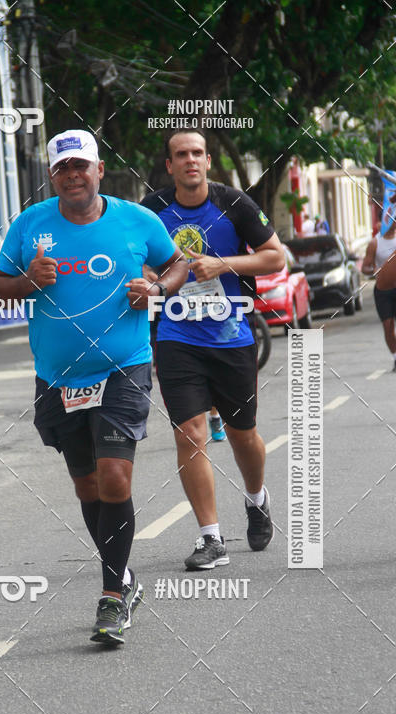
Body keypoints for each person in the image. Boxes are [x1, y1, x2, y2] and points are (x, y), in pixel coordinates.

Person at [0, 129, 188, 644]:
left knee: (114, 478)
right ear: (52, 176)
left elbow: (178, 263)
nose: (73, 175)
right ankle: (124, 578)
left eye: (81, 165)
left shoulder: (136, 220)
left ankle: (112, 596)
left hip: (124, 367)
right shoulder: (30, 225)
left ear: (99, 170)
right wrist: (27, 281)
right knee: (88, 487)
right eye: (63, 168)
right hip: (59, 379)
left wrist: (157, 288)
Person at [141, 129, 284, 570]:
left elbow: (275, 257)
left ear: (207, 161)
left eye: (197, 153)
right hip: (176, 338)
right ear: (170, 166)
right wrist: (152, 279)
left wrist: (224, 264)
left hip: (231, 338)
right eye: (181, 154)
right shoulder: (152, 210)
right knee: (190, 433)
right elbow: (138, 259)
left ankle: (256, 499)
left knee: (243, 435)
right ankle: (210, 538)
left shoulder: (234, 203)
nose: (190, 160)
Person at [368, 220, 396, 371]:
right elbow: (365, 266)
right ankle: (395, 357)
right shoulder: (375, 243)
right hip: (383, 290)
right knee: (388, 326)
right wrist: (374, 271)